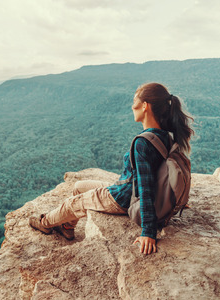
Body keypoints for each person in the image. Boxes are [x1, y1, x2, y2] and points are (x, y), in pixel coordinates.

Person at [29, 82, 194, 255]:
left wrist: (148, 232)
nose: (132, 106)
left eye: (134, 101)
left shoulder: (143, 143)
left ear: (144, 106)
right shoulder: (165, 137)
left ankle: (45, 223)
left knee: (73, 203)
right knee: (78, 187)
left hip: (124, 198)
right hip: (127, 188)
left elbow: (145, 189)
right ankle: (67, 227)